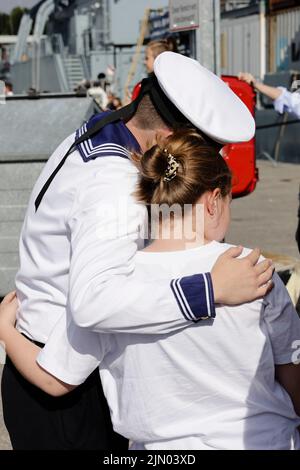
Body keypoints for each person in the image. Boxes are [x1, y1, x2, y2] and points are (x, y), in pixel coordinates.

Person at [1, 52, 271, 450]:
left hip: (46, 361)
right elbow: (96, 301)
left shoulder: (102, 131)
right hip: (64, 387)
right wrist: (209, 289)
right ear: (166, 140)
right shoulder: (116, 186)